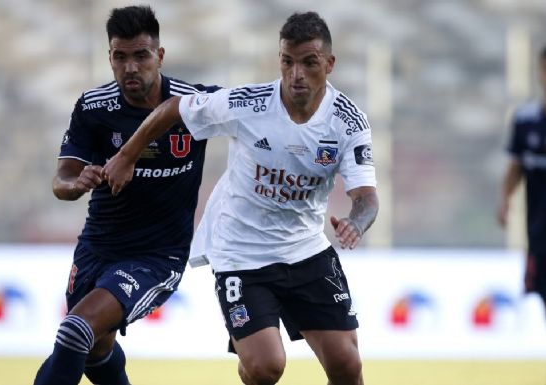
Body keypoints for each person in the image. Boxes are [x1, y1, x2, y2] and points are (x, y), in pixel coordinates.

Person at [104, 11, 378, 385]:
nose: (296, 74)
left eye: (308, 63)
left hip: (306, 250)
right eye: (288, 61)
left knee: (347, 365)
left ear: (329, 64)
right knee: (266, 366)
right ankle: (250, 363)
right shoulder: (248, 104)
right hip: (241, 253)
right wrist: (126, 155)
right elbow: (174, 108)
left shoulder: (348, 121)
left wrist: (355, 223)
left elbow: (366, 198)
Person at [33, 6, 218, 385]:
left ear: (159, 56)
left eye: (141, 55)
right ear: (110, 58)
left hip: (156, 256)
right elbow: (61, 180)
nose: (130, 67)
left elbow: (253, 112)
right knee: (94, 349)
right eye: (120, 57)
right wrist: (76, 183)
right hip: (97, 249)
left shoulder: (194, 103)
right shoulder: (93, 107)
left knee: (75, 330)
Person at [497, 46, 546, 316]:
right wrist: (505, 200)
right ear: (541, 73)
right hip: (539, 234)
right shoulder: (526, 120)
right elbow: (516, 167)